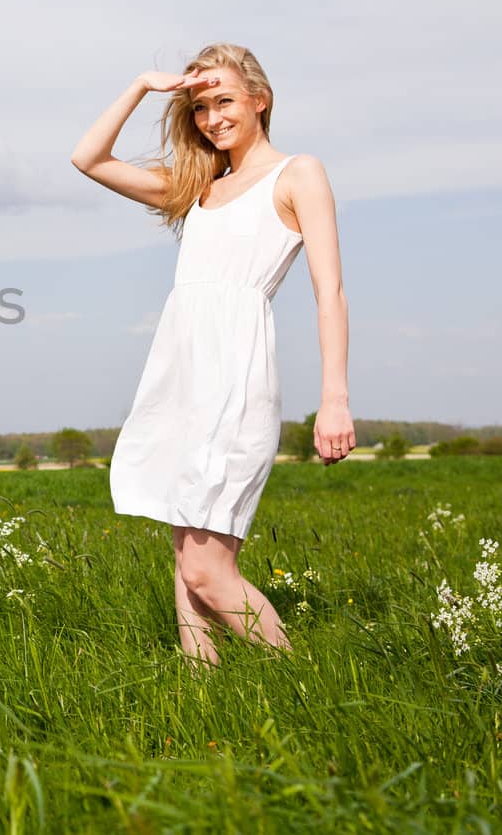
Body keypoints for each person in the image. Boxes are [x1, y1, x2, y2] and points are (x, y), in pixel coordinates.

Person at [69, 42, 354, 666]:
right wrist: (143, 84)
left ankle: (304, 681)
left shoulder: (298, 173)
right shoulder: (198, 187)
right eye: (200, 107)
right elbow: (87, 158)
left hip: (235, 373)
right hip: (180, 374)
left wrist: (335, 400)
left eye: (224, 100)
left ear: (261, 99)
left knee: (204, 570)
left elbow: (329, 292)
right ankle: (205, 701)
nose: (212, 117)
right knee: (185, 554)